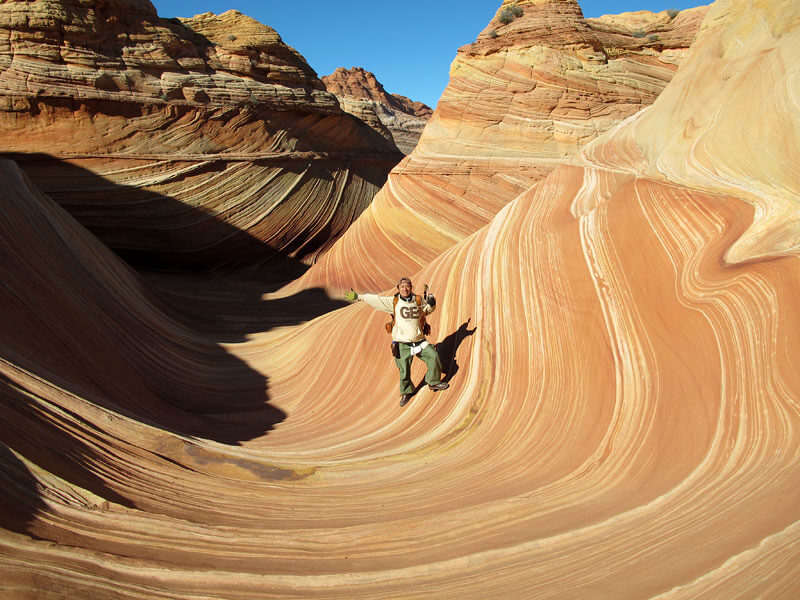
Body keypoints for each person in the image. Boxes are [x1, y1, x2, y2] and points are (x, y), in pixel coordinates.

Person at [346, 277, 449, 406]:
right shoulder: (393, 302)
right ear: (398, 289)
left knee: (433, 356)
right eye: (402, 287)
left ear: (411, 288)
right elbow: (375, 299)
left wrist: (432, 304)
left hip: (419, 340)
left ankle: (433, 382)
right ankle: (406, 392)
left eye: (407, 287)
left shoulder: (417, 300)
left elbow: (426, 311)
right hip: (402, 342)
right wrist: (358, 296)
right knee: (404, 369)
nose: (405, 289)